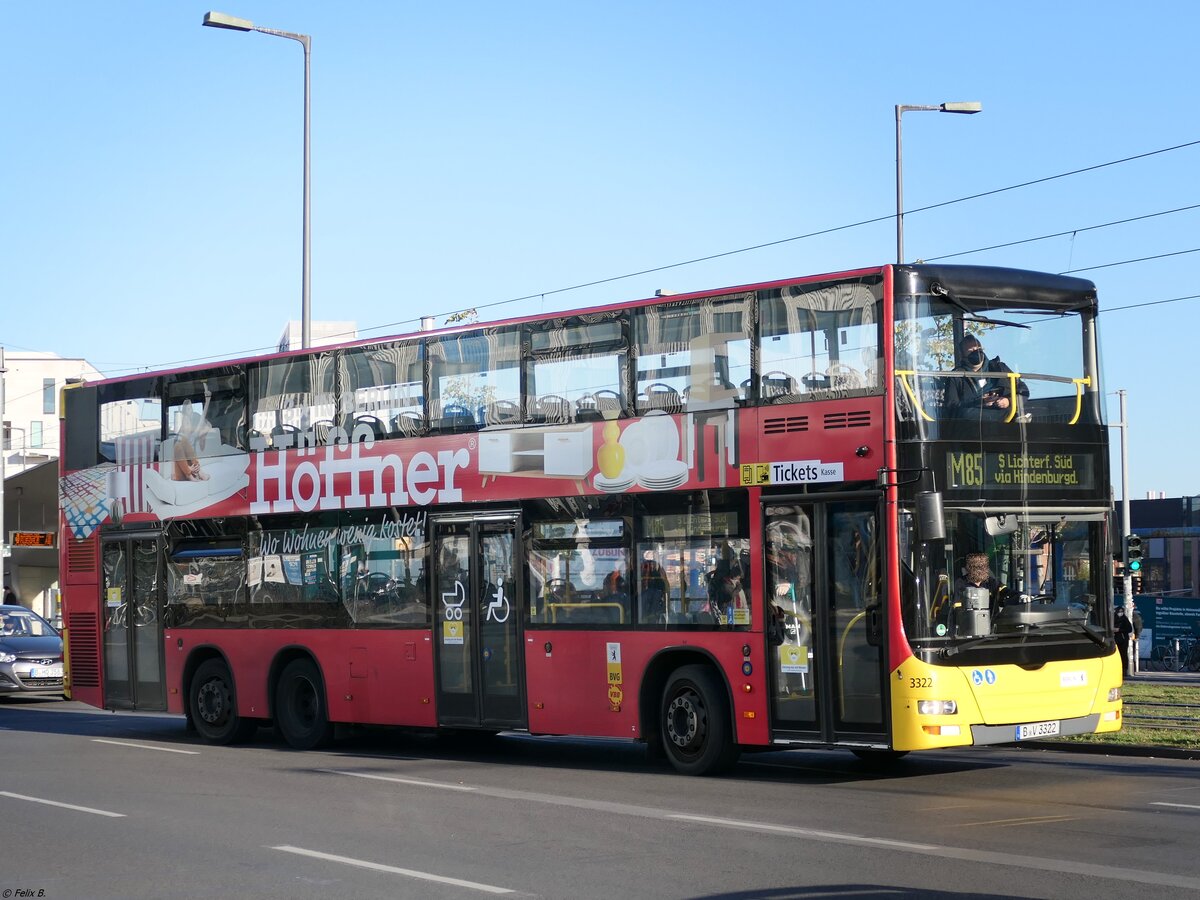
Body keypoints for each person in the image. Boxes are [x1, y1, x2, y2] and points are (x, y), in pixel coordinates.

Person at [946, 335, 1029, 414]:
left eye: (978, 349)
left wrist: (1008, 401)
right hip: (975, 424)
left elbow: (1023, 391)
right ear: (963, 355)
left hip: (1006, 421)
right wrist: (980, 403)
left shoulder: (999, 368)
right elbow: (952, 407)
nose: (976, 352)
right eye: (971, 351)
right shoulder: (956, 376)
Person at [1114, 606, 1133, 676]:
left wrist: (1119, 630)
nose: (1120, 613)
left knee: (1123, 654)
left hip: (1123, 639)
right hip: (1116, 639)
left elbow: (1129, 629)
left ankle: (1124, 670)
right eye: (1119, 612)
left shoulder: (1125, 619)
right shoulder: (1113, 618)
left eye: (1121, 612)